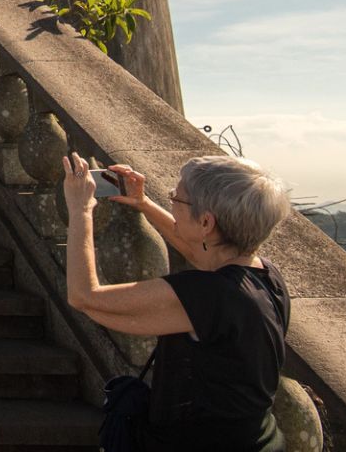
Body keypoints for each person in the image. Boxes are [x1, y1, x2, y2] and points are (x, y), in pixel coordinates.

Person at [62, 154, 294, 452]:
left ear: (206, 221)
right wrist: (143, 203)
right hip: (261, 439)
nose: (171, 201)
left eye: (176, 198)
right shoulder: (265, 276)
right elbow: (202, 251)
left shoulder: (205, 296)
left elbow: (83, 297)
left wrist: (80, 210)